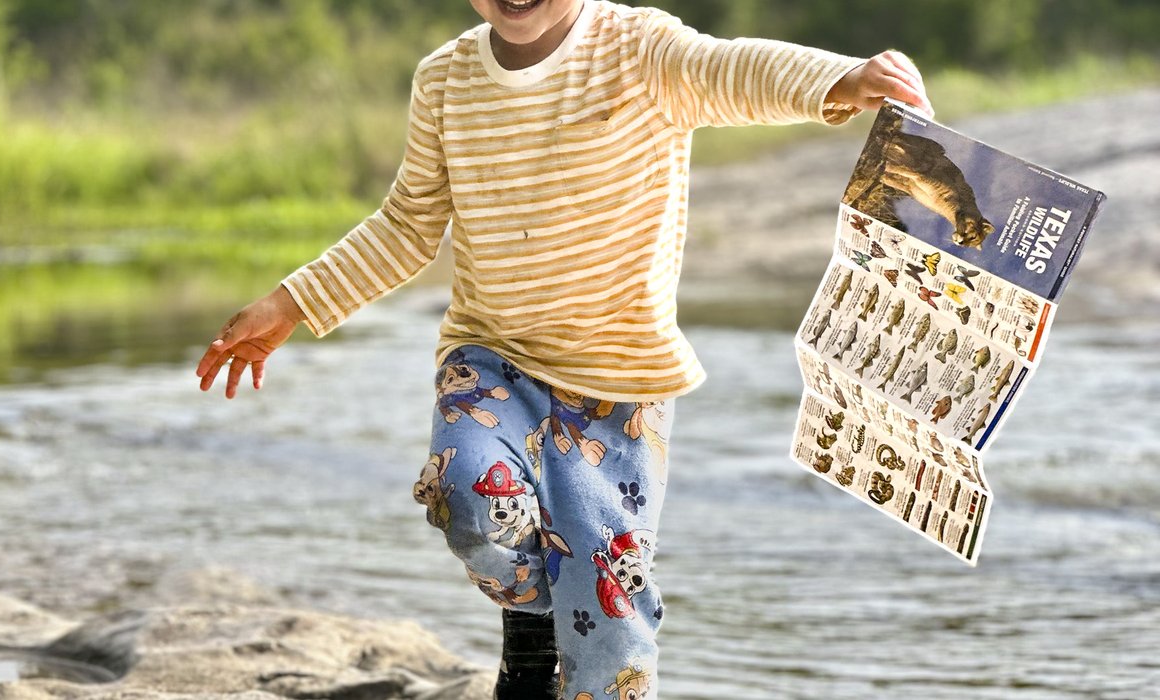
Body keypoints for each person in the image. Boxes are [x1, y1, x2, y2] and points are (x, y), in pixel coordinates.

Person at [196, 1, 932, 697]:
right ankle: (530, 622)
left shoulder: (642, 51)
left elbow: (735, 69)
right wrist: (292, 302)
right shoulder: (446, 81)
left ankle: (559, 652)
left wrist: (842, 79)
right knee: (467, 498)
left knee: (609, 608)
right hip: (492, 356)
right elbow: (407, 225)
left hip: (620, 380)